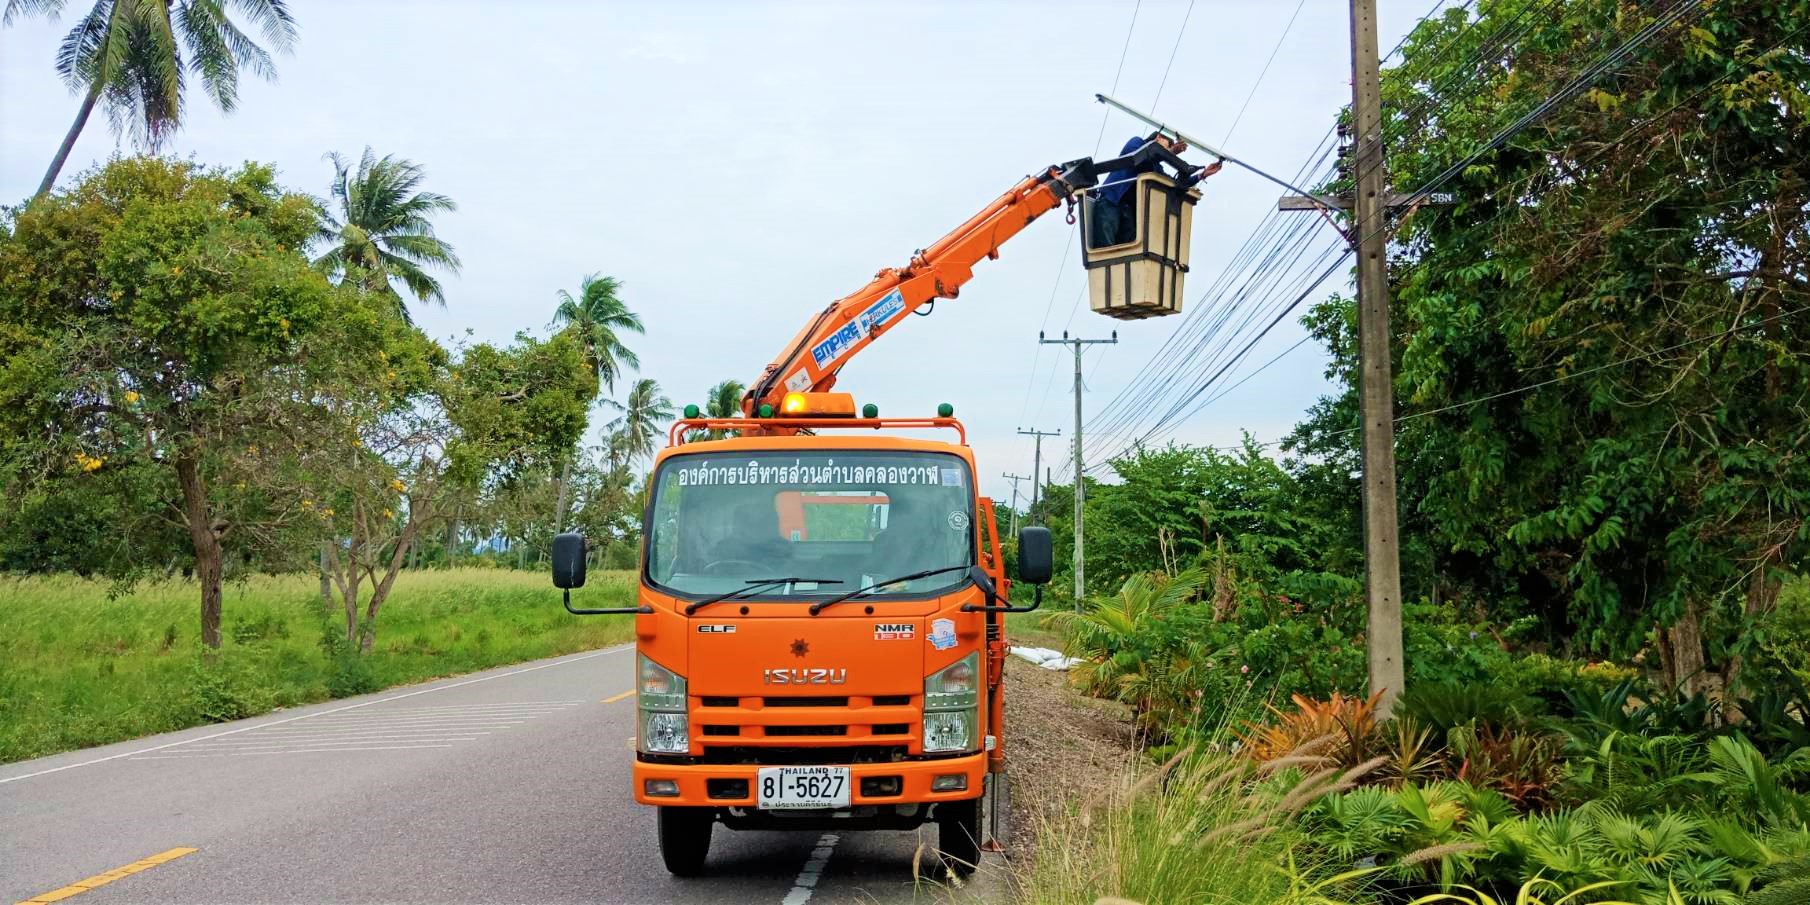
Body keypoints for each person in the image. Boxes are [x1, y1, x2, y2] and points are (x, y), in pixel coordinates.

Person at [1091, 132, 1222, 248]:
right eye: (1167, 146)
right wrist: (1170, 153)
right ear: (1158, 137)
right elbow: (1139, 159)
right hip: (1111, 201)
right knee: (1105, 245)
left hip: (1128, 208)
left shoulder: (1155, 166)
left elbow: (1172, 183)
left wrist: (1202, 175)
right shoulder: (1136, 142)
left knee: (1127, 246)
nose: (1168, 152)